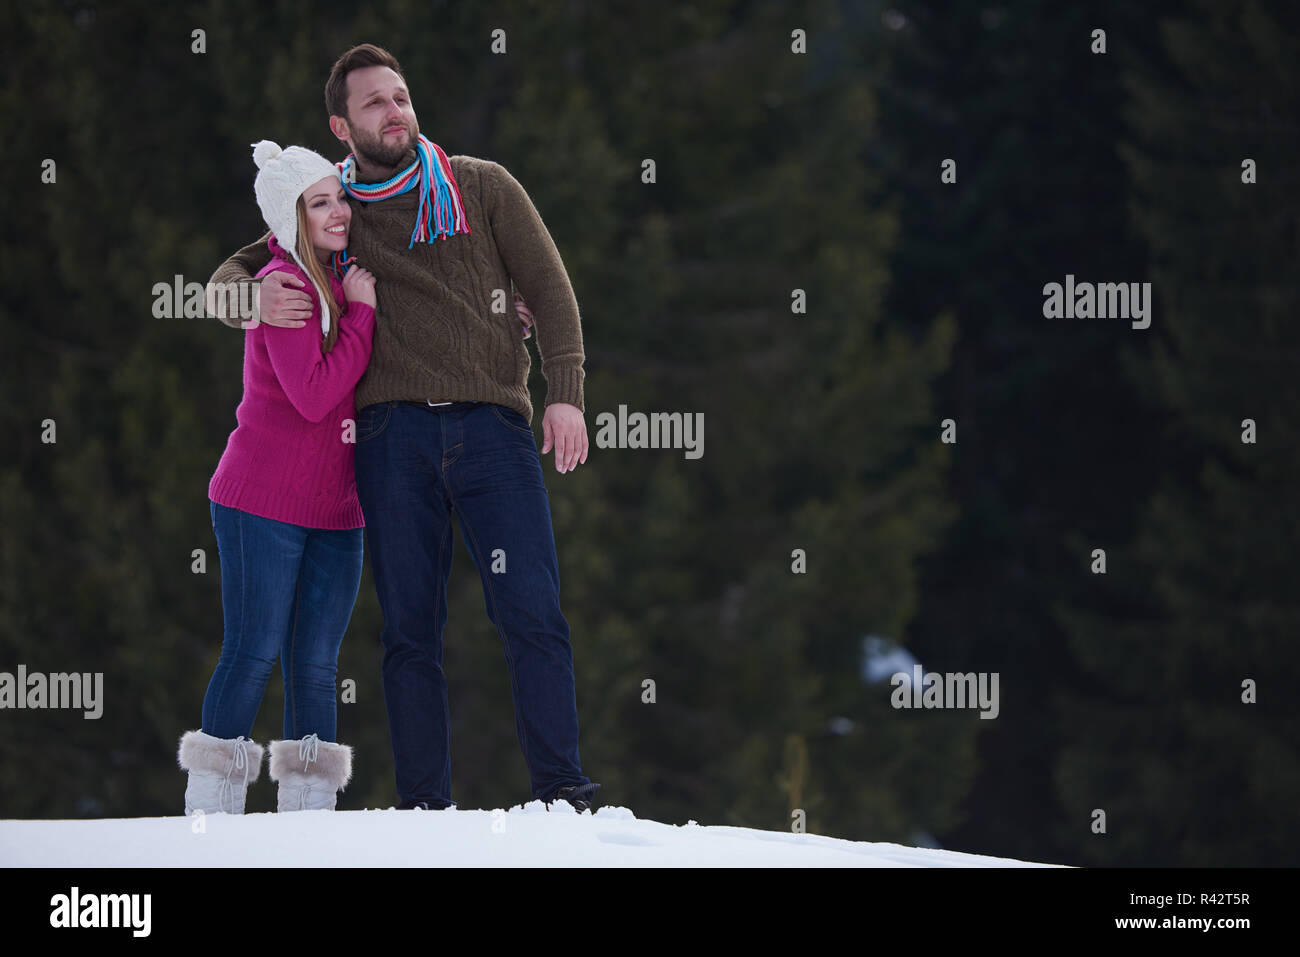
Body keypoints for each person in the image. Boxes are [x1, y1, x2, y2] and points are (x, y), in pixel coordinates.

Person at [205, 43, 599, 813]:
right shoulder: (333, 208)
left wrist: (567, 393)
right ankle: (424, 805)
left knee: (531, 610)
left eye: (401, 95)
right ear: (341, 126)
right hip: (390, 442)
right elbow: (233, 273)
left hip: (492, 429)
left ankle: (564, 790)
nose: (396, 111)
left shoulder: (480, 186)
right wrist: (245, 303)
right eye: (375, 103)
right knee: (411, 632)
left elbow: (551, 291)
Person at [179, 140, 378, 815]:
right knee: (255, 649)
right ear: (290, 217)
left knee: (317, 663)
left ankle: (305, 826)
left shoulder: (344, 268)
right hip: (261, 499)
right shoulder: (286, 284)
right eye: (319, 203)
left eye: (340, 197)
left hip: (338, 509)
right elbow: (315, 395)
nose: (339, 212)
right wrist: (361, 316)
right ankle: (213, 809)